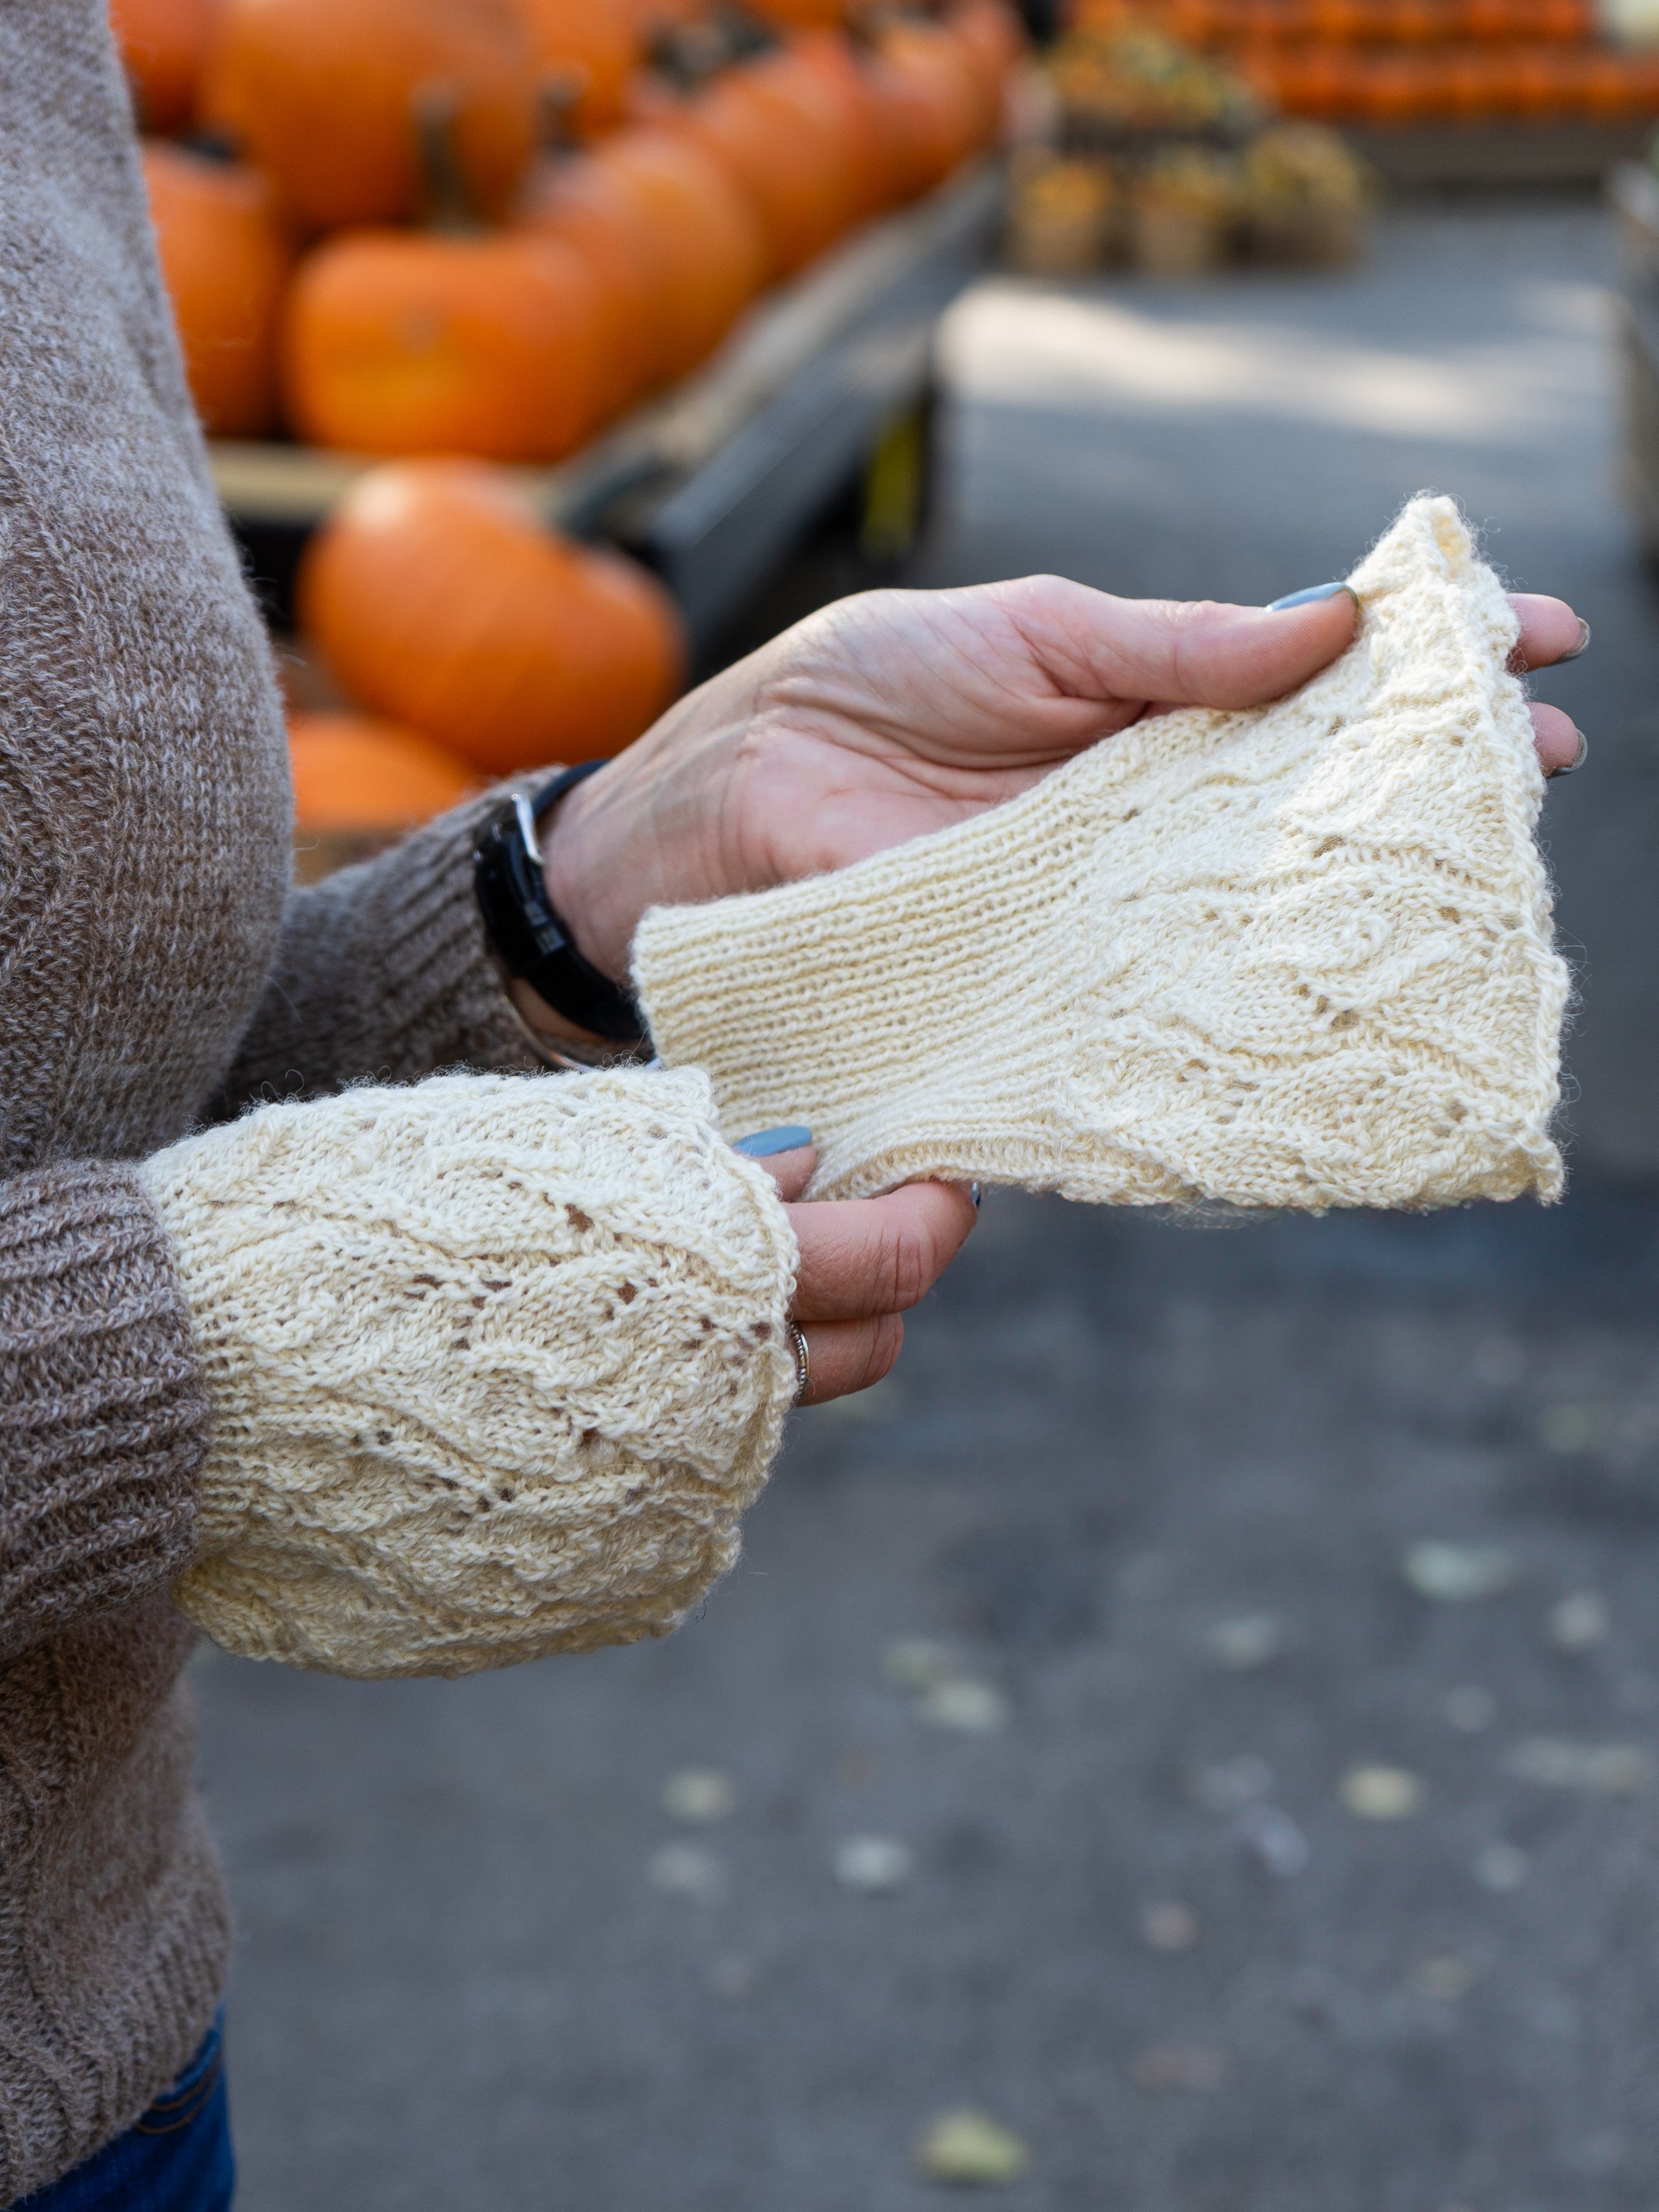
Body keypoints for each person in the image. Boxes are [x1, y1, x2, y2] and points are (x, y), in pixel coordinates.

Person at [0, 5, 1591, 2206]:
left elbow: (73, 1085)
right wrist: (177, 1364)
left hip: (116, 2049)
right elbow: (144, 1301)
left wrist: (590, 897)